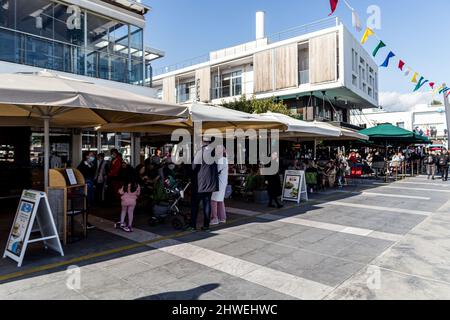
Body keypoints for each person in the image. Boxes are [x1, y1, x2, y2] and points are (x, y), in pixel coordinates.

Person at [187, 137, 218, 232]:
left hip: (199, 183)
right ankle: (206, 226)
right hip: (210, 184)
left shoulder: (200, 152)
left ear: (202, 142)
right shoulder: (214, 152)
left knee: (195, 205)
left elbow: (193, 167)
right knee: (207, 204)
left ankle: (192, 226)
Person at [77, 151, 97, 230]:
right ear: (86, 156)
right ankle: (84, 222)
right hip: (86, 186)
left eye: (93, 155)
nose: (93, 156)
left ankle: (85, 221)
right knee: (86, 203)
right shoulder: (82, 165)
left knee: (89, 203)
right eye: (91, 155)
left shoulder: (91, 164)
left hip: (90, 185)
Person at [210, 146, 229, 226]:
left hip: (219, 183)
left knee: (213, 200)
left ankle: (215, 218)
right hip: (222, 182)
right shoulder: (224, 159)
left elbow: (217, 171)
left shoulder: (221, 160)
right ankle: (222, 218)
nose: (216, 151)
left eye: (217, 150)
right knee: (220, 200)